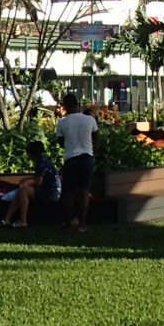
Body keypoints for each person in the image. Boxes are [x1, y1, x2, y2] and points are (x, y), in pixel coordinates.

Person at [56, 95, 98, 232]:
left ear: (64, 106)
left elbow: (61, 143)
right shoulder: (90, 119)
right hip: (87, 157)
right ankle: (82, 224)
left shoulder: (62, 123)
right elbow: (96, 137)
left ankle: (69, 222)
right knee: (84, 191)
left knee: (68, 192)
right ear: (78, 104)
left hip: (71, 158)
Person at [0, 139, 62, 228]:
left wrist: (26, 182)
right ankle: (7, 219)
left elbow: (38, 182)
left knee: (23, 190)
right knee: (21, 190)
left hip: (51, 193)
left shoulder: (41, 162)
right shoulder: (44, 160)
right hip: (50, 190)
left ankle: (23, 220)